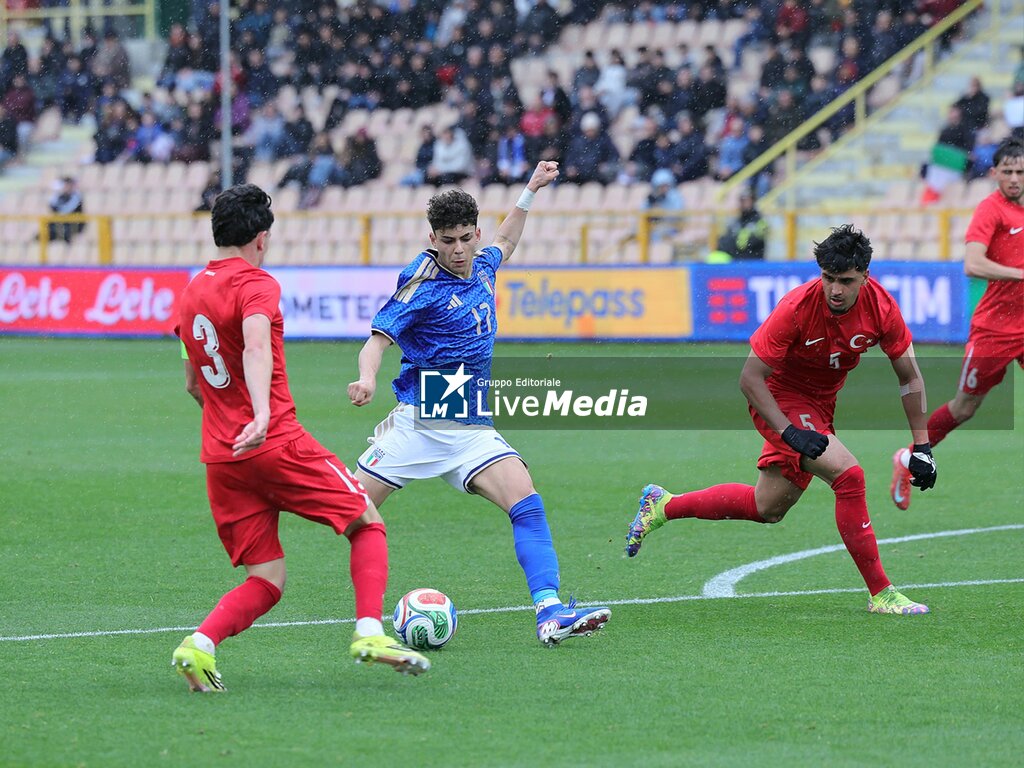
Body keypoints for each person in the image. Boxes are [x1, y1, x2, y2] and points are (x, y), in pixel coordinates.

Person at [172, 184, 429, 692]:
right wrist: (262, 414)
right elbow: (253, 346)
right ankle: (370, 633)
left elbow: (191, 383)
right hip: (276, 442)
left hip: (223, 458)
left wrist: (229, 420)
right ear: (262, 239)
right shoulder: (258, 284)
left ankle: (198, 645)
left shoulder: (191, 290)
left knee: (267, 579)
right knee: (366, 522)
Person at [347, 162, 611, 645]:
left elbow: (506, 242)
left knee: (526, 502)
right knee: (346, 514)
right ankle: (362, 619)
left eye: (466, 238)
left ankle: (550, 612)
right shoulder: (421, 281)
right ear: (433, 238)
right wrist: (365, 379)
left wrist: (529, 190)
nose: (459, 250)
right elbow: (377, 340)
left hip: (470, 427)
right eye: (448, 241)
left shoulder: (483, 263)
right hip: (420, 421)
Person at [626, 225, 937, 616]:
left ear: (865, 277)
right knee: (849, 476)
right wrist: (789, 431)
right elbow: (749, 378)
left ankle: (664, 505)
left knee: (768, 507)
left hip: (820, 406)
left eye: (846, 281)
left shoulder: (882, 308)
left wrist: (923, 446)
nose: (835, 290)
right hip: (777, 398)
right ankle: (882, 593)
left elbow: (910, 377)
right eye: (828, 278)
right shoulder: (796, 307)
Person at [890, 138, 1023, 509]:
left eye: (1020, 172)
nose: (1014, 178)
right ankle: (909, 457)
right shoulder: (991, 210)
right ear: (994, 173)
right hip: (995, 331)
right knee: (964, 408)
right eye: (1007, 172)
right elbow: (973, 264)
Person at [718, 190, 769, 260]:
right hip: (735, 260)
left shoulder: (760, 222)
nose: (744, 204)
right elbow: (723, 242)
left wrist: (735, 240)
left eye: (747, 201)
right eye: (742, 201)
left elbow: (744, 244)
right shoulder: (736, 221)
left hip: (753, 261)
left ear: (753, 202)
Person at [47, 176, 84, 242]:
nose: (67, 187)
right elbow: (53, 209)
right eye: (65, 185)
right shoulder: (59, 197)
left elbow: (67, 211)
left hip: (72, 225)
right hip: (60, 224)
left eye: (69, 185)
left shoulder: (77, 198)